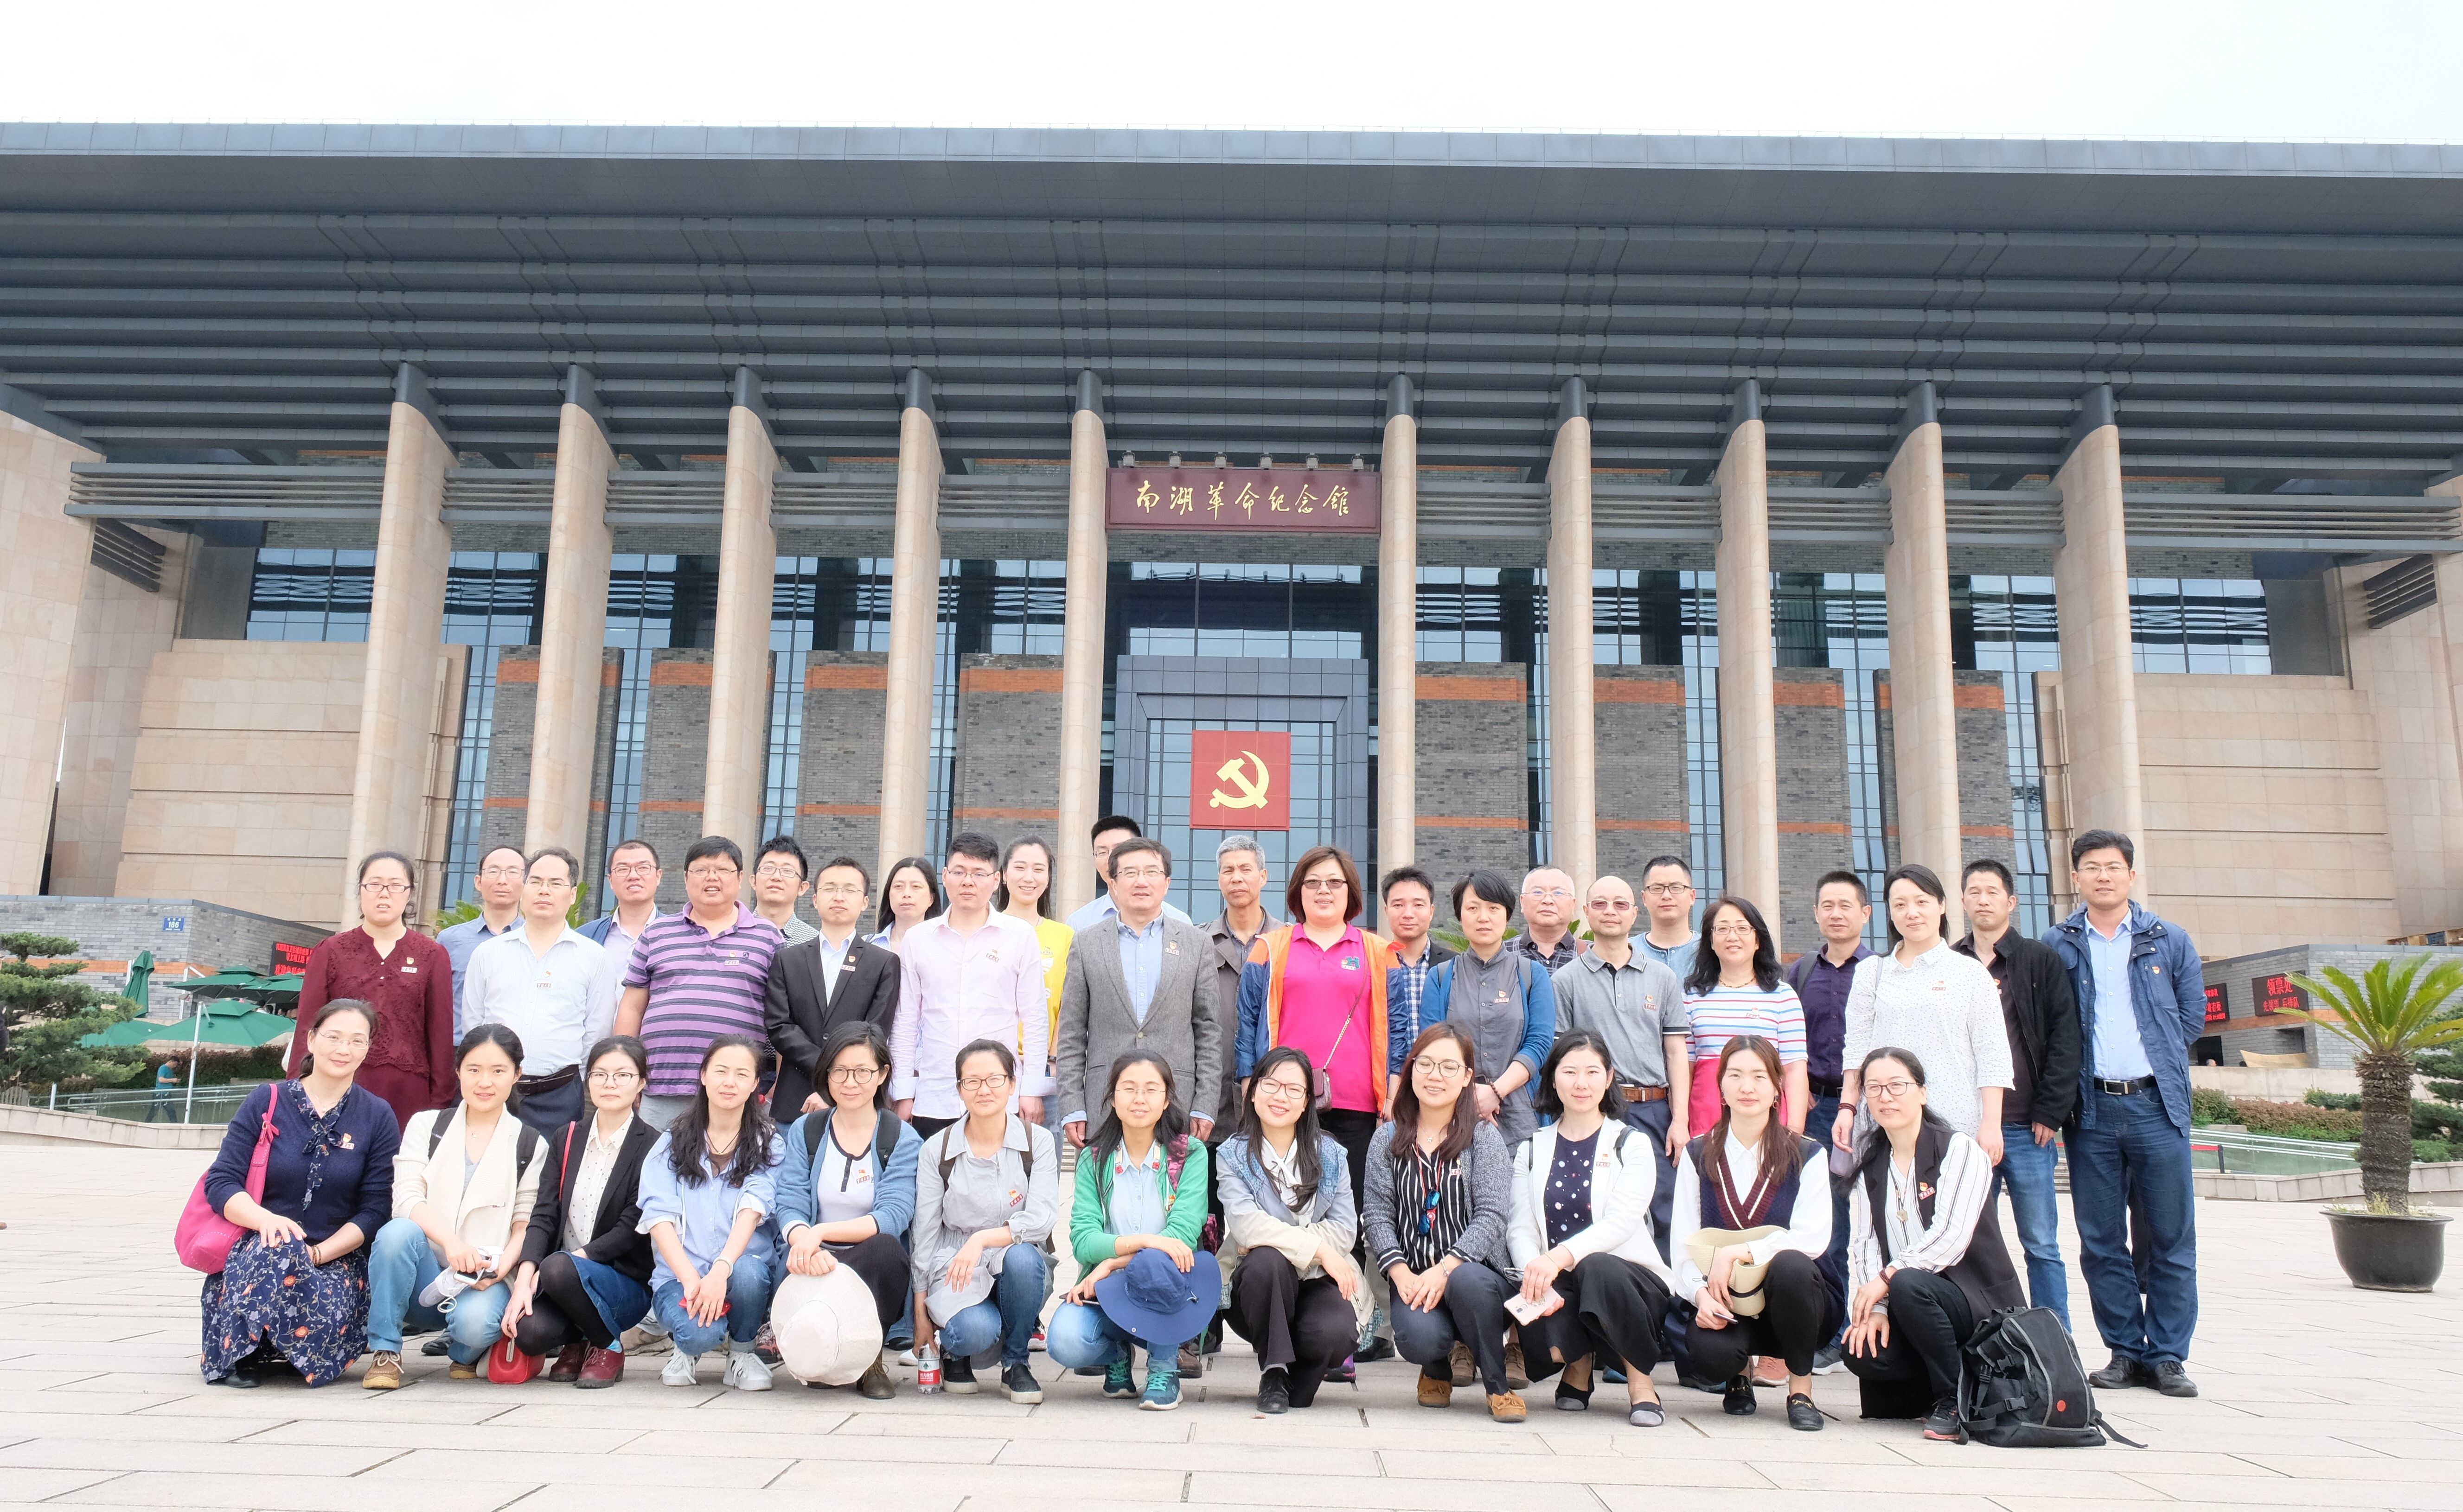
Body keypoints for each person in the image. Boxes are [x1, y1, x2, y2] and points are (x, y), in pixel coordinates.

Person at [2043, 829, 2206, 1399]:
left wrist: (2154, 1061)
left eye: (2113, 867)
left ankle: (2167, 1355)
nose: (2103, 876)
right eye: (2092, 867)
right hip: (2090, 1109)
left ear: (2131, 875)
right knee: (2101, 1238)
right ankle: (2124, 1351)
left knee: (2169, 1236)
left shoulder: (2169, 940)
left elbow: (2191, 1018)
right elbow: (2051, 1024)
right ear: (2076, 877)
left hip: (2156, 1106)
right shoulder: (2058, 944)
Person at [200, 1000, 402, 1388]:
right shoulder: (266, 1100)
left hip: (335, 1258)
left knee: (312, 1280)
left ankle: (287, 1349)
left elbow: (376, 1208)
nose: (343, 1049)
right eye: (334, 1037)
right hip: (260, 1247)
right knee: (276, 1249)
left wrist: (318, 1253)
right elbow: (222, 1181)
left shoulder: (377, 1115)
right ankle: (245, 1352)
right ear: (310, 1039)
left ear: (367, 1049)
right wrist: (266, 1220)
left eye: (356, 1041)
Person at [1841, 1046, 2025, 1439]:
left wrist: (1886, 1279)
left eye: (1897, 1085)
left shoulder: (1959, 1149)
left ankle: (1952, 1401)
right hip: (1912, 1301)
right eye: (1874, 1088)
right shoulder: (1872, 1160)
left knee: (1908, 1282)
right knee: (1860, 1349)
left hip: (1975, 1301)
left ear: (1922, 1092)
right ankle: (1924, 1389)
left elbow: (1951, 1236)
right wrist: (1877, 1308)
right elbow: (1866, 1241)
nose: (1885, 1096)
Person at [362, 1025, 550, 1390]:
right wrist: (452, 1244)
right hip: (425, 1273)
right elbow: (406, 1197)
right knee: (396, 1233)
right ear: (458, 1071)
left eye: (498, 1070)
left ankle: (464, 1352)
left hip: (482, 1278)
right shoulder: (426, 1125)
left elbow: (525, 1222)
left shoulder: (529, 1144)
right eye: (474, 1069)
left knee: (475, 1325)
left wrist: (500, 1269)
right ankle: (386, 1349)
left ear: (517, 1074)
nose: (485, 1081)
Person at [1509, 1030, 1678, 1426]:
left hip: (1629, 1283)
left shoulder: (1631, 1143)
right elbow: (1520, 1227)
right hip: (1561, 1280)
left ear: (1608, 1078)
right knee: (1546, 1336)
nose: (1580, 1083)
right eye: (1569, 1072)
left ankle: (1640, 1382)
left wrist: (1557, 1257)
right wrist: (1535, 1271)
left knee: (1596, 1265)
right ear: (1553, 1079)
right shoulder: (1531, 1148)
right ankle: (1578, 1362)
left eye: (1591, 1072)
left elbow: (1621, 1221)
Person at [1670, 1035, 1838, 1432]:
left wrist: (1739, 1251)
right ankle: (1737, 1375)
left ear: (1778, 1088)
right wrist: (1699, 1296)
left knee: (1792, 1265)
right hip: (1728, 1301)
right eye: (1735, 1075)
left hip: (1799, 1300)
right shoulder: (1697, 1153)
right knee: (1708, 1356)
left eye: (1759, 1076)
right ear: (1721, 1087)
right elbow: (1683, 1243)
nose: (1747, 1087)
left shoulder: (1807, 1153)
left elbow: (1812, 1238)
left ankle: (1800, 1390)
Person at [1048, 1052, 1220, 1410]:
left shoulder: (1190, 1154)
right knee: (1065, 1340)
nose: (1139, 1098)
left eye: (1150, 1089)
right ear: (1112, 1098)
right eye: (1128, 1088)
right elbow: (1083, 1241)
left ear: (1166, 1099)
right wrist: (1145, 1241)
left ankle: (1163, 1367)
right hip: (1107, 1290)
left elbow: (1181, 1237)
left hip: (1171, 1285)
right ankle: (1116, 1354)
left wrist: (1112, 1262)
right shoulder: (1093, 1158)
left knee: (1155, 1264)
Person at [1367, 1024, 1522, 1421]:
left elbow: (1491, 1216)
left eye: (1449, 1066)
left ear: (1467, 1076)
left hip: (1478, 1278)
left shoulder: (1483, 1137)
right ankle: (1435, 1368)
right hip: (1415, 1277)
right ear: (1411, 1069)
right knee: (1419, 1338)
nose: (1435, 1075)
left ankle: (1497, 1385)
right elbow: (1377, 1214)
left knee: (1466, 1280)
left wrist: (1446, 1268)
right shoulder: (1387, 1138)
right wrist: (1400, 1273)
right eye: (1426, 1064)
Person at [1235, 846, 1399, 1211]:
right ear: (1298, 890)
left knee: (1349, 1213)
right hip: (1284, 1100)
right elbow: (1246, 1024)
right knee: (1283, 1210)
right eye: (1312, 882)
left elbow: (1399, 1029)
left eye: (1334, 882)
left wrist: (1391, 1096)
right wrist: (1250, 1089)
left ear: (1351, 891)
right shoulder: (1269, 948)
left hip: (1358, 1103)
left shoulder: (1379, 951)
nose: (1323, 890)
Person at [1957, 859, 2082, 1326]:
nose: (1983, 900)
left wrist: (2050, 1111)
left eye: (1992, 892)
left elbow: (2065, 1038)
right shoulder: (1951, 962)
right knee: (1970, 1241)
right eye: (1974, 892)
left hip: (2028, 1128)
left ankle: (2055, 1336)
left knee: (2041, 1243)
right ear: (1963, 901)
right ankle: (1983, 1335)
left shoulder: (2038, 959)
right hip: (1968, 1129)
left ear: (2011, 901)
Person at [499, 1035, 659, 1387]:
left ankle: (607, 1345)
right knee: (530, 1334)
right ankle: (579, 1341)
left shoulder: (654, 1145)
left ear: (641, 1083)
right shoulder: (567, 1136)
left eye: (623, 1075)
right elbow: (543, 1214)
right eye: (600, 1074)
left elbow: (632, 1227)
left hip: (622, 1282)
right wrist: (525, 1280)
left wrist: (571, 1263)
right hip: (561, 1279)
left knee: (559, 1265)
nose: (610, 1083)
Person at [910, 1039, 1061, 1404]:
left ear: (1012, 1083)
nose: (984, 1090)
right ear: (959, 1088)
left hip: (1015, 1260)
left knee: (1023, 1258)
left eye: (994, 1079)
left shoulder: (1037, 1141)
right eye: (972, 1081)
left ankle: (1016, 1361)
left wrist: (981, 1240)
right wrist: (920, 1313)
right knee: (973, 1332)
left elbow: (1041, 1219)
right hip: (955, 1266)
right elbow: (924, 1233)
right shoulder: (937, 1149)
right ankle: (957, 1352)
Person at [772, 1022, 917, 1399]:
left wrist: (820, 1233)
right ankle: (818, 1349)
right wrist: (804, 1239)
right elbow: (789, 1199)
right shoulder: (806, 1129)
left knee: (887, 1249)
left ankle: (871, 1359)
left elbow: (893, 1215)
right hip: (811, 1255)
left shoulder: (900, 1137)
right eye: (840, 1071)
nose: (850, 1082)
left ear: (882, 1074)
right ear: (826, 1073)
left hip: (865, 1257)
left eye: (862, 1071)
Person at [1216, 1045, 1362, 1414]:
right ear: (1252, 1092)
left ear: (1306, 1101)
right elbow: (1245, 1225)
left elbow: (1345, 1230)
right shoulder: (1232, 1154)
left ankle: (1298, 1373)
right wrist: (1320, 1248)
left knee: (1336, 1331)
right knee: (1266, 1261)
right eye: (1270, 1084)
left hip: (1316, 1279)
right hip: (1257, 1287)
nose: (1280, 1096)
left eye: (1294, 1089)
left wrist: (1279, 1239)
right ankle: (1274, 1369)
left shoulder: (1331, 1155)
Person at [1550, 874, 1689, 1259]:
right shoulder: (1565, 980)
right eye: (1600, 904)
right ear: (1585, 912)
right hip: (1594, 1112)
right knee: (1598, 1207)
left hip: (1653, 1109)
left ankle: (1667, 1295)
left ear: (1634, 912)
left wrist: (1679, 1120)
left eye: (1620, 904)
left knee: (1664, 1209)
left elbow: (1676, 1051)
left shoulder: (1663, 977)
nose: (1610, 911)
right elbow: (1560, 1056)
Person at [636, 1034, 784, 1390]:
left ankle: (742, 1352)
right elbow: (659, 1218)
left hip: (739, 1273)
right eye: (720, 1071)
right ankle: (685, 1349)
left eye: (741, 1074)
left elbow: (753, 1208)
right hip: (679, 1278)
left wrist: (721, 1269)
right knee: (699, 1334)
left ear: (755, 1083)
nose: (729, 1081)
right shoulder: (671, 1142)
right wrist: (691, 1280)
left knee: (748, 1273)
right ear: (703, 1075)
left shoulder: (769, 1143)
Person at [1836, 864, 2014, 1152]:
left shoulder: (1970, 973)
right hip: (1883, 1119)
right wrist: (1848, 1108)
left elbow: (1992, 1053)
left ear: (1941, 905)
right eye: (1900, 905)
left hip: (1954, 1119)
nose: (1912, 913)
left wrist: (1992, 1123)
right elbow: (1857, 1047)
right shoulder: (1871, 972)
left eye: (1922, 902)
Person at [614, 836, 787, 1130]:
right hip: (660, 1087)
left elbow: (784, 1017)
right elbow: (632, 1007)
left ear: (741, 879)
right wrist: (624, 1073)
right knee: (653, 1158)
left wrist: (780, 1083)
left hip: (734, 1092)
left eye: (722, 870)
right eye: (701, 870)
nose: (712, 877)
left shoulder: (768, 937)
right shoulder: (657, 933)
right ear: (685, 878)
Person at [1058, 837, 1222, 1147]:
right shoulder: (1086, 943)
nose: (1141, 881)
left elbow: (1208, 1030)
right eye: (1130, 873)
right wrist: (1072, 1105)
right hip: (1103, 1102)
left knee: (1174, 1180)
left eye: (1151, 872)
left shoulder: (1197, 943)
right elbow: (1071, 1032)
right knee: (1102, 1179)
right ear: (1113, 883)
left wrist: (1205, 1103)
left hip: (1177, 1101)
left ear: (1167, 883)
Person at [889, 833, 1052, 1142]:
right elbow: (906, 1020)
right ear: (945, 876)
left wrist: (1031, 1089)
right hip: (934, 1094)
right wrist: (904, 1090)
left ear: (996, 880)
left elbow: (1034, 1018)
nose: (968, 882)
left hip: (1000, 1094)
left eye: (979, 874)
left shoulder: (1019, 936)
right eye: (960, 872)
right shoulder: (918, 939)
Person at [459, 846, 621, 1134]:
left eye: (556, 883)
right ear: (523, 889)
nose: (544, 890)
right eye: (535, 881)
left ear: (573, 894)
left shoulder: (594, 957)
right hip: (495, 1092)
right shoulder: (488, 953)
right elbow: (474, 1023)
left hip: (560, 1095)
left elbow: (596, 1031)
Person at [288, 851, 454, 1126]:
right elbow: (308, 1025)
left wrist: (440, 1104)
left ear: (409, 893)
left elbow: (440, 1035)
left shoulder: (432, 955)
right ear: (361, 890)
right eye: (374, 884)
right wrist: (296, 1093)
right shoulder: (330, 951)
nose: (384, 894)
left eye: (396, 885)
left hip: (408, 1094)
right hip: (338, 1087)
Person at [1783, 869, 1871, 1372]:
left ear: (1865, 913)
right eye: (1827, 906)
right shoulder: (1798, 974)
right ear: (1816, 913)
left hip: (1875, 1111)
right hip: (1818, 1112)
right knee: (1829, 1226)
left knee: (1884, 1220)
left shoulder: (1880, 972)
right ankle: (1832, 1332)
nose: (1836, 914)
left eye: (1846, 905)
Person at [1399, 870, 1555, 1148]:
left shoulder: (1532, 975)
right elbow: (1432, 1045)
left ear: (1507, 915)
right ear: (1460, 916)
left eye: (1493, 908)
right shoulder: (1440, 977)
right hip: (1454, 1110)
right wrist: (1471, 1094)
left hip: (1521, 1113)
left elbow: (1540, 1043)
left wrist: (1495, 1092)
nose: (1483, 917)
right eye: (1473, 908)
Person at [765, 855, 900, 1118]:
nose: (839, 897)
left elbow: (876, 1030)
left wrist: (840, 1076)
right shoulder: (787, 959)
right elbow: (779, 1026)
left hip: (857, 1097)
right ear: (815, 899)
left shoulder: (884, 963)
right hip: (795, 1098)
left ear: (865, 902)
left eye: (849, 890)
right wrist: (828, 1069)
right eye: (830, 889)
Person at [1682, 896, 1809, 1137]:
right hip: (1706, 1118)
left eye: (1742, 928)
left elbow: (1794, 1069)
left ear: (1758, 940)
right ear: (1710, 941)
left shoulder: (1783, 996)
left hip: (1768, 1121)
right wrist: (1680, 1123)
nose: (1732, 937)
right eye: (1722, 929)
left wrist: (1794, 1130)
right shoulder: (1691, 997)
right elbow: (1685, 1068)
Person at [1201, 836, 1278, 1132]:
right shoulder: (1199, 942)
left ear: (1263, 876)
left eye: (1246, 869)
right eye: (1228, 870)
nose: (1237, 878)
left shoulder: (1287, 942)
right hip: (1210, 1105)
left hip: (1276, 1100)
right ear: (1219, 879)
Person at [995, 835, 1076, 1098]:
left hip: (1042, 1069)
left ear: (1049, 879)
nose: (1029, 877)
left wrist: (1052, 1060)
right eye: (1020, 868)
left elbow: (1068, 1006)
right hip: (989, 1067)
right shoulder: (986, 930)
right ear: (1003, 875)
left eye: (1039, 869)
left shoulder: (1065, 936)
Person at [440, 843, 526, 1023]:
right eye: (493, 872)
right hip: (461, 1040)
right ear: (478, 882)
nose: (502, 880)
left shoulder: (536, 941)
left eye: (513, 872)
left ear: (525, 884)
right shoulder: (449, 940)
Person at [1064, 815, 1193, 932]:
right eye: (1102, 852)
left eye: (1120, 850)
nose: (1111, 859)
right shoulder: (1079, 923)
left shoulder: (1180, 922)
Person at [1380, 866, 1456, 1042]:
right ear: (1386, 911)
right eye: (1398, 905)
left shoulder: (1454, 965)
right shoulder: (1372, 964)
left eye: (1418, 905)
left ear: (1431, 911)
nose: (1408, 914)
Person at [580, 837, 665, 980]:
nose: (633, 876)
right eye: (623, 869)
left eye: (643, 868)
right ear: (610, 880)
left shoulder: (680, 936)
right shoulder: (584, 937)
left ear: (658, 876)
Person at [1636, 855, 1701, 982]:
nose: (1666, 896)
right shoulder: (1628, 952)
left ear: (1692, 896)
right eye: (1657, 888)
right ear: (1644, 898)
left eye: (1676, 888)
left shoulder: (1710, 950)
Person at [1514, 866, 1586, 971]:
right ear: (1522, 902)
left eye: (1558, 893)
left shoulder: (1594, 955)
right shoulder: (1500, 954)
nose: (1548, 901)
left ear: (1573, 905)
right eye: (1538, 892)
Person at [752, 835, 820, 944]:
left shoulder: (815, 943)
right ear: (754, 881)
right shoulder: (731, 934)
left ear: (802, 888)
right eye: (768, 868)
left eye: (788, 871)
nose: (776, 877)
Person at [871, 855, 943, 948]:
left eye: (916, 887)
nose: (907, 894)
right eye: (899, 886)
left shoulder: (944, 949)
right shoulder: (866, 947)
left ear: (931, 898)